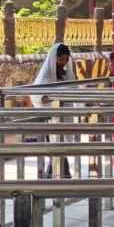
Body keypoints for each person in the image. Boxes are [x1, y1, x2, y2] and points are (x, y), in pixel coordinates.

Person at [31, 43, 74, 178]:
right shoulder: (45, 76)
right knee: (56, 150)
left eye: (66, 59)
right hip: (52, 118)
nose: (64, 62)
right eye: (61, 59)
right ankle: (58, 176)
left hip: (64, 116)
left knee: (61, 150)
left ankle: (57, 176)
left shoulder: (66, 74)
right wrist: (49, 98)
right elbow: (36, 94)